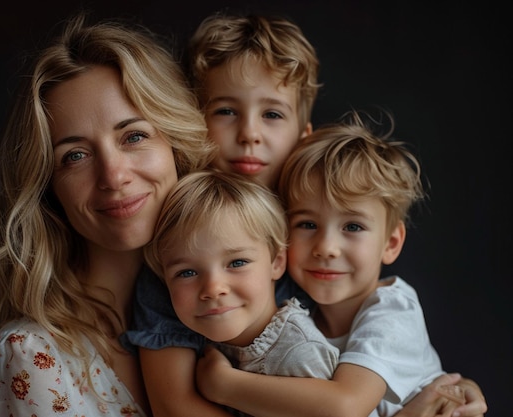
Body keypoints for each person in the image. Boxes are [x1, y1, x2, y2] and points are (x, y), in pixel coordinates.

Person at [126, 12, 487, 417]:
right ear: (195, 121)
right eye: (226, 111)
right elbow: (177, 407)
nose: (249, 133)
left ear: (303, 136)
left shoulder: (319, 235)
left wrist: (455, 387)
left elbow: (377, 358)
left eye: (272, 114)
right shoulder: (182, 257)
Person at [0, 12, 216, 417]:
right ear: (48, 188)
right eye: (74, 155)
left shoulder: (232, 317)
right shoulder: (32, 359)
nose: (113, 176)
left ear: (176, 147)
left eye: (134, 136)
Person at [193, 110, 475, 417]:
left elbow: (344, 406)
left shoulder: (392, 311)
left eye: (352, 227)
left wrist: (224, 384)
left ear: (391, 243)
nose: (326, 248)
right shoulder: (297, 310)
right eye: (307, 225)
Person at [143, 170, 339, 397]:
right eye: (186, 272)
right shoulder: (202, 347)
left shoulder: (301, 353)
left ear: (276, 262)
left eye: (237, 263)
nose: (213, 289)